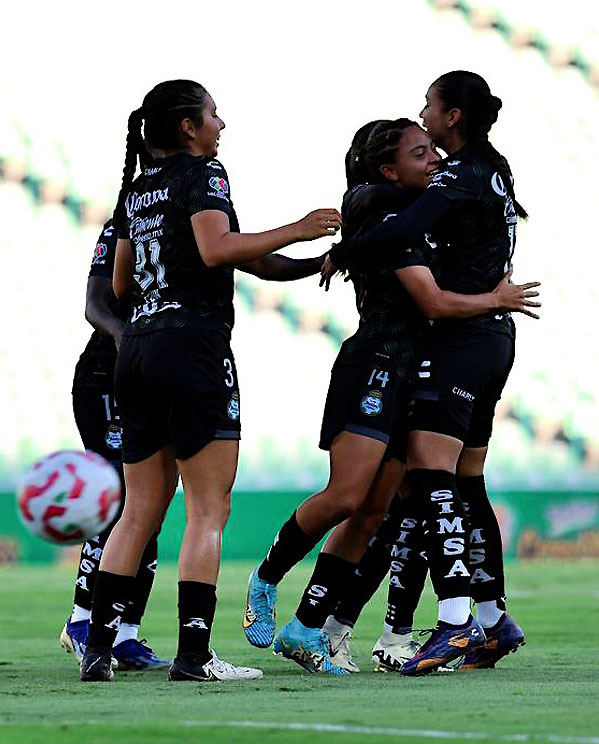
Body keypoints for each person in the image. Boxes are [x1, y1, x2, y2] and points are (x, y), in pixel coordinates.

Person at [245, 116, 539, 675]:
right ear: (388, 169)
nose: (434, 161)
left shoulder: (422, 214)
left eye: (434, 151)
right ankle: (266, 579)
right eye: (420, 153)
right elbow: (429, 301)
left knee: (377, 508)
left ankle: (309, 628)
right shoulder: (379, 204)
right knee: (347, 496)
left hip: (411, 373)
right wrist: (497, 298)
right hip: (376, 365)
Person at [78, 79, 339, 683]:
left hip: (136, 348)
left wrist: (305, 265)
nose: (222, 125)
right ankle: (194, 655)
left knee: (139, 509)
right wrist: (299, 229)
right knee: (207, 509)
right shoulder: (205, 173)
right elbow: (219, 249)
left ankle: (97, 647)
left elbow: (120, 286)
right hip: (192, 346)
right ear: (189, 129)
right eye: (214, 115)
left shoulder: (136, 189)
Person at [325, 71, 533, 675]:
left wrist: (346, 249)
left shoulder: (460, 172)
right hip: (493, 338)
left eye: (429, 107)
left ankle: (454, 624)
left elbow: (404, 229)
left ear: (453, 117)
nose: (424, 115)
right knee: (467, 481)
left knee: (431, 475)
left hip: (461, 339)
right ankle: (494, 621)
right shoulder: (495, 167)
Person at [58, 219, 167, 671]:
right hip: (108, 377)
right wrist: (127, 340)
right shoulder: (126, 223)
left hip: (159, 379)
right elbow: (95, 305)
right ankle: (82, 621)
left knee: (151, 507)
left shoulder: (197, 217)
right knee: (119, 501)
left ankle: (125, 634)